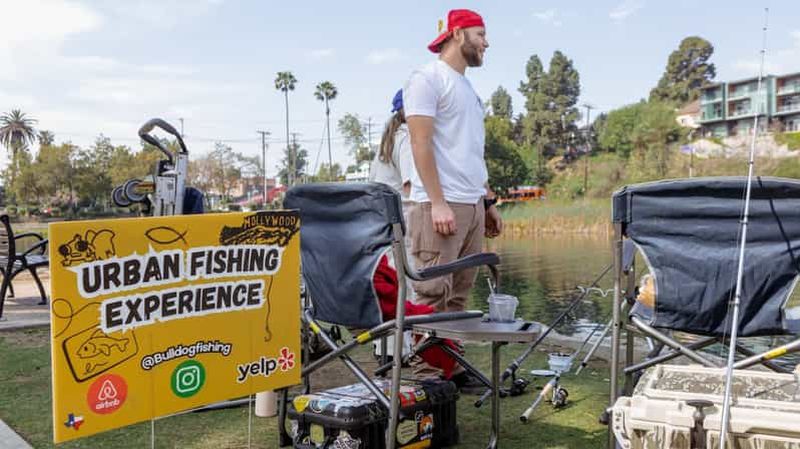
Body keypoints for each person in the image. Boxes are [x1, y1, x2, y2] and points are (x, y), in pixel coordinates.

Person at [402, 8, 502, 389]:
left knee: (458, 295)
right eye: (480, 34)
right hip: (437, 206)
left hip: (471, 205)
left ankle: (451, 367)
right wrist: (439, 201)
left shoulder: (469, 91)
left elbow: (470, 152)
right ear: (458, 34)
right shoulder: (426, 79)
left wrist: (487, 203)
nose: (486, 42)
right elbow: (420, 142)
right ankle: (428, 376)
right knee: (430, 295)